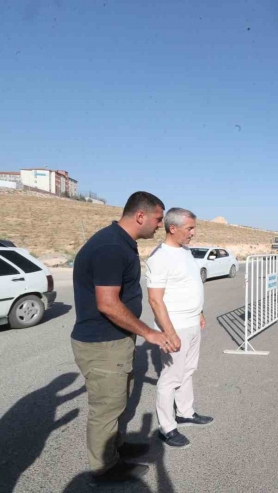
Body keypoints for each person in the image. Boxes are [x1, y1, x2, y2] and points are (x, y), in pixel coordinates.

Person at [71, 191, 173, 485]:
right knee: (106, 408)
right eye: (157, 219)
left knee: (118, 400)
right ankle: (104, 468)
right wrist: (149, 332)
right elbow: (107, 303)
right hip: (102, 344)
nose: (159, 226)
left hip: (115, 341)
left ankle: (116, 448)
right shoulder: (111, 246)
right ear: (140, 216)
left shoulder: (120, 243)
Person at [146, 208, 214, 449]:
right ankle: (167, 427)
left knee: (188, 370)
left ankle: (185, 412)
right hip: (174, 327)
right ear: (172, 228)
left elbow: (191, 283)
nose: (193, 233)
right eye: (190, 228)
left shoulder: (184, 252)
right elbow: (155, 300)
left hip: (192, 322)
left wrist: (200, 312)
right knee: (171, 377)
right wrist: (169, 332)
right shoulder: (159, 257)